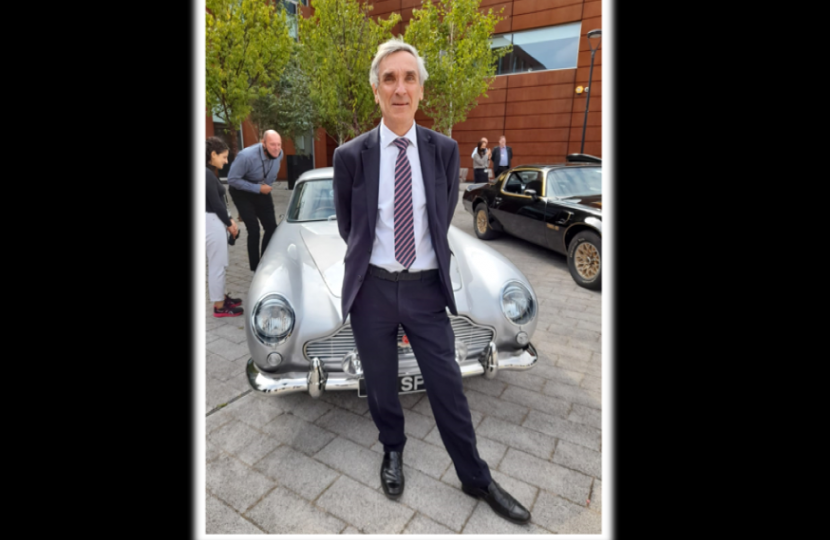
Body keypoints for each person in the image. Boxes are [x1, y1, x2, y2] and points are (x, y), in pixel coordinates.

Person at [332, 37, 531, 525]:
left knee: (447, 387)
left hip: (424, 290)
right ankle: (393, 450)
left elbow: (439, 216)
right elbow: (348, 225)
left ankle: (476, 477)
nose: (400, 88)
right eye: (389, 79)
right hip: (372, 291)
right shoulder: (350, 155)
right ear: (376, 90)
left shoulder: (444, 150)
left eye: (409, 78)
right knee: (380, 385)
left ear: (421, 89)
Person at [227, 130, 284, 272]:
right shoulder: (246, 156)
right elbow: (232, 180)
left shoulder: (279, 154)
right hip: (241, 192)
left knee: (271, 228)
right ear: (263, 143)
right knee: (254, 229)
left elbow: (272, 175)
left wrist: (263, 188)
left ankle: (265, 262)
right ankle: (255, 268)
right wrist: (257, 188)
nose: (276, 148)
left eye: (279, 144)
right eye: (272, 144)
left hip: (261, 190)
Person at [206, 137, 243, 318]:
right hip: (211, 222)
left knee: (220, 263)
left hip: (214, 220)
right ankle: (219, 306)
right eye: (224, 157)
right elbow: (215, 203)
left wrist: (228, 220)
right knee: (217, 265)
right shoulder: (205, 174)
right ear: (213, 155)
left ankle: (222, 296)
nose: (226, 161)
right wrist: (230, 224)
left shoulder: (208, 172)